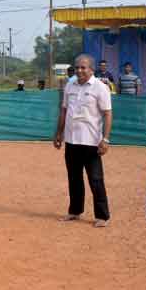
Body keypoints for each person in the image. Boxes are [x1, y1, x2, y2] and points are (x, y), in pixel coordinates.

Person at [53, 53, 112, 227]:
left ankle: (102, 216)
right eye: (77, 67)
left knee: (96, 179)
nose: (79, 70)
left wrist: (106, 139)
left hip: (91, 141)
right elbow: (64, 110)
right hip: (71, 140)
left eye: (83, 67)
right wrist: (58, 133)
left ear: (91, 69)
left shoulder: (100, 88)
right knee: (74, 178)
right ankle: (75, 211)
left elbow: (107, 114)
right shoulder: (69, 85)